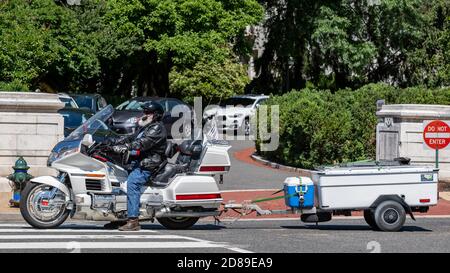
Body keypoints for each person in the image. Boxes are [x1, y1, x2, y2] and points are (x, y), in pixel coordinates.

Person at [104, 101, 167, 231]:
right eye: (144, 111)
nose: (144, 114)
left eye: (148, 112)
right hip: (138, 161)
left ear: (156, 115)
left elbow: (142, 143)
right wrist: (110, 142)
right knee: (116, 180)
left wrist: (124, 147)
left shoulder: (156, 128)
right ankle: (119, 217)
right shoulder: (146, 127)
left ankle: (133, 221)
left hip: (148, 164)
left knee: (132, 184)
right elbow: (130, 138)